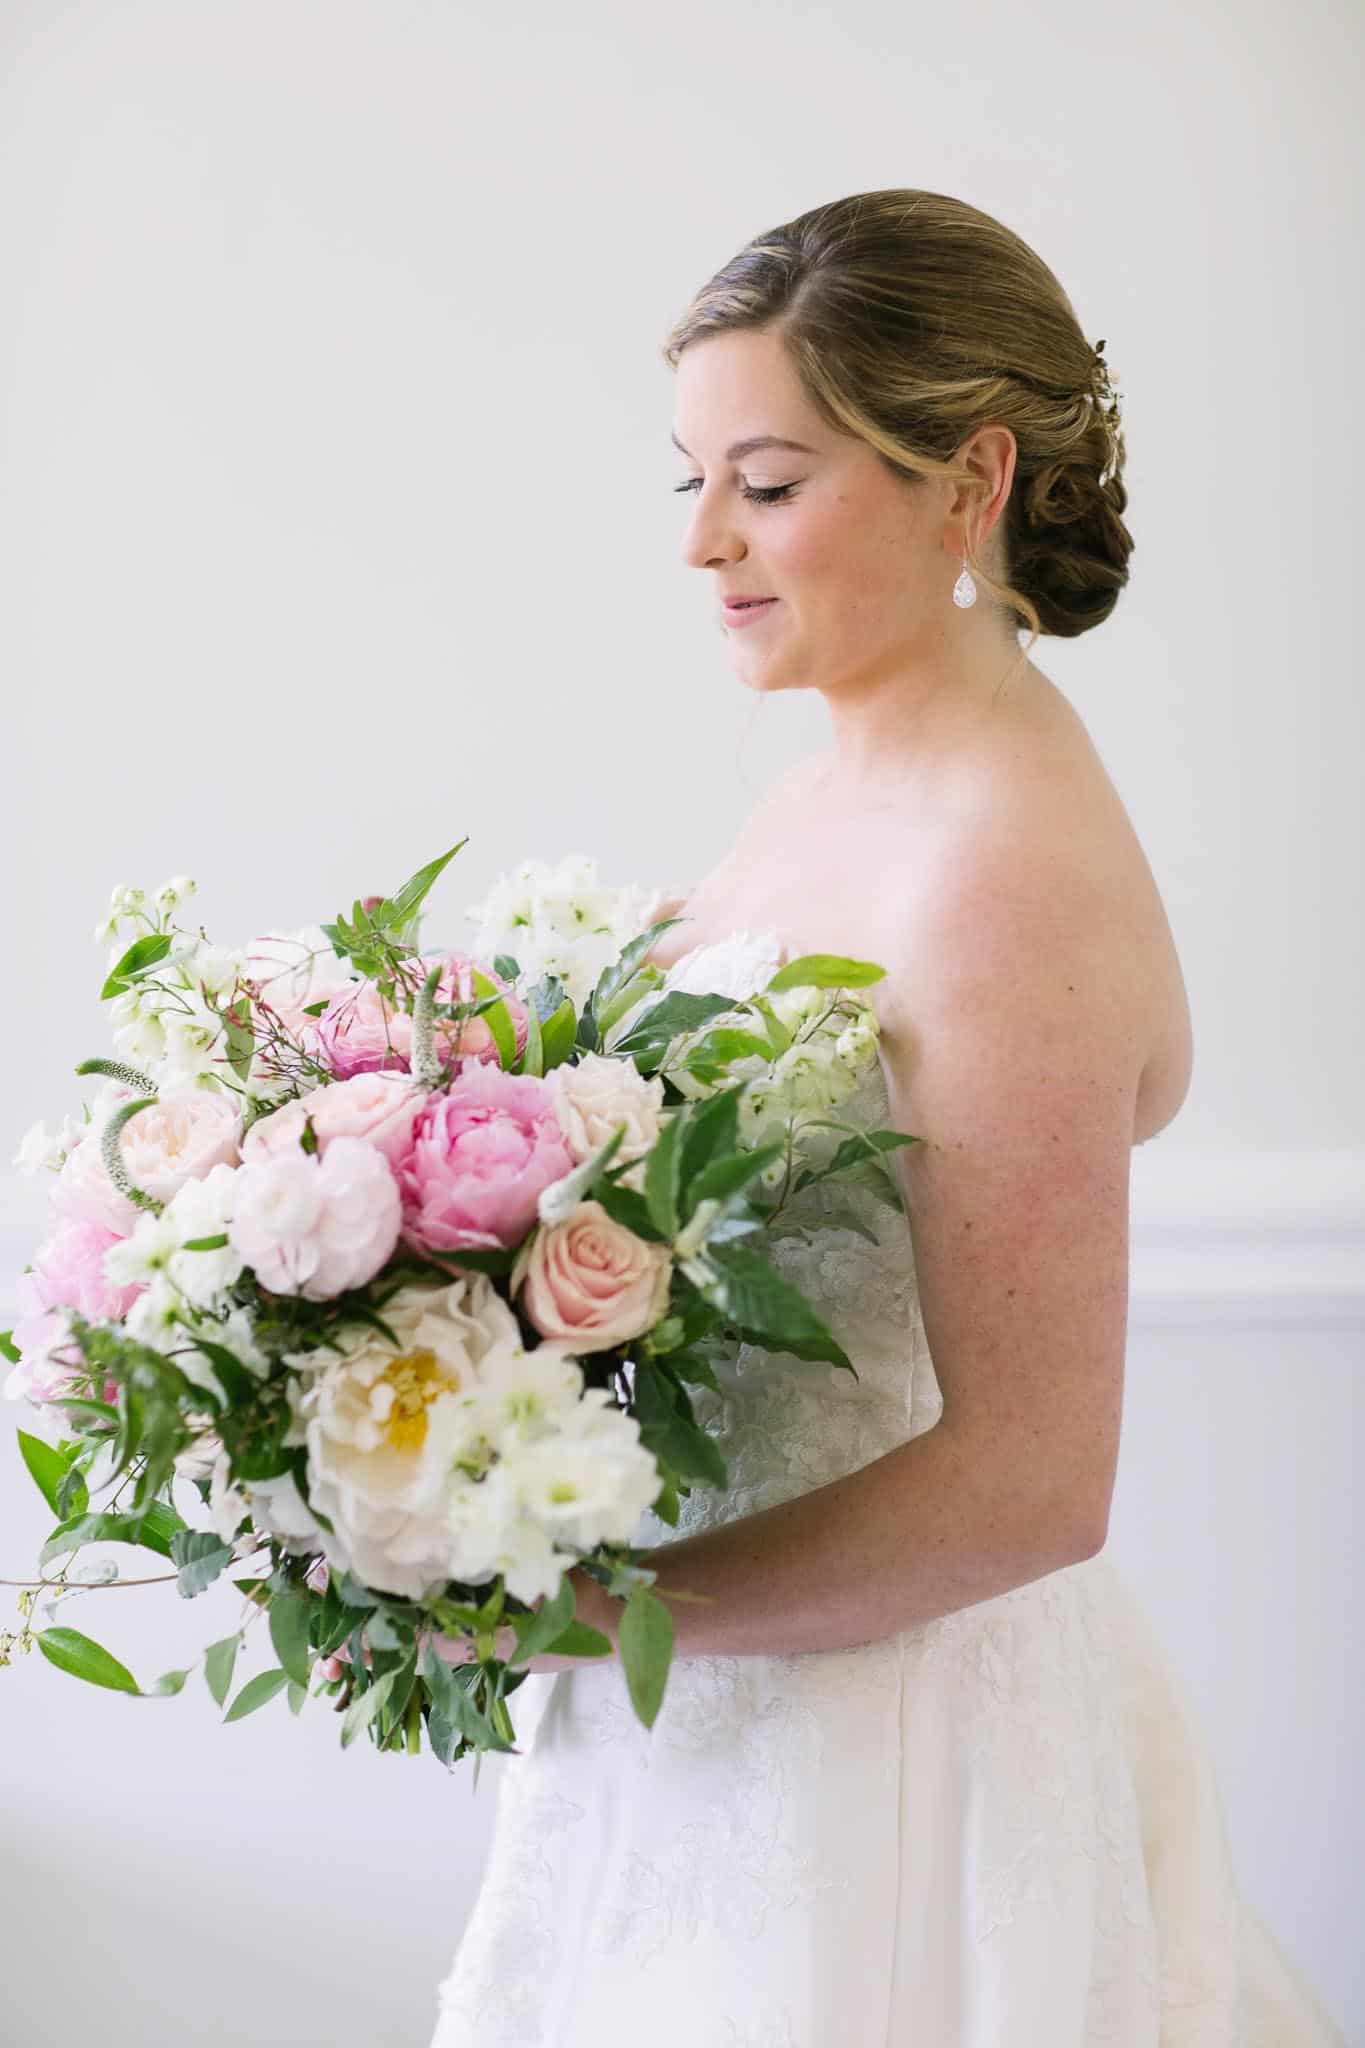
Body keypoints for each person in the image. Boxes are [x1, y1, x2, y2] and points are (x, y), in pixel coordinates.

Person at [429, 189, 1345, 2045]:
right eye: (685, 478)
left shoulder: (1005, 875)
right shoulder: (840, 783)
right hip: (716, 1688)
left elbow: (1025, 1490)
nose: (701, 543)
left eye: (764, 482)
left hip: (886, 1761)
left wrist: (590, 1612)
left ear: (968, 477)